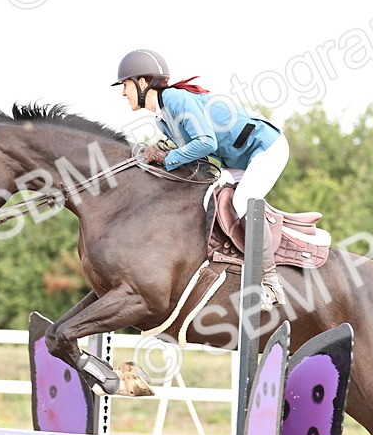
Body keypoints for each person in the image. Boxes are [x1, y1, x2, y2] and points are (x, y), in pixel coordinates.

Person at [112, 48, 290, 308]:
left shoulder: (175, 99)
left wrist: (166, 157)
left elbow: (206, 142)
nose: (123, 93)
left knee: (242, 202)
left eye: (125, 85)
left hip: (266, 148)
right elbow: (193, 154)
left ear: (142, 83)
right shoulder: (163, 119)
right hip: (239, 161)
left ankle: (271, 284)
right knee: (208, 198)